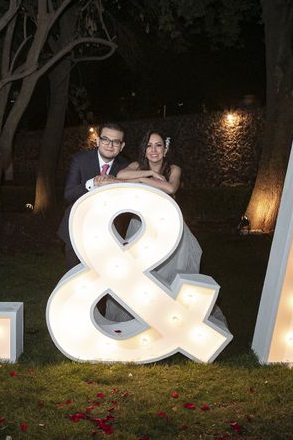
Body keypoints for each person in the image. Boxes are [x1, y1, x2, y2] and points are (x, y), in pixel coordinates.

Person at [103, 130, 209, 321]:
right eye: (149, 145)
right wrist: (148, 174)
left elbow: (170, 188)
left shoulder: (173, 169)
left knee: (168, 272)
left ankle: (168, 318)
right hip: (141, 227)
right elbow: (120, 174)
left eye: (158, 145)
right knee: (138, 272)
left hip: (169, 227)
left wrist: (139, 179)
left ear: (165, 149)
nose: (154, 150)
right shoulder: (138, 166)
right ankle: (141, 316)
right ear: (144, 150)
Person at [58, 123, 128, 269]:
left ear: (122, 146)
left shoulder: (126, 168)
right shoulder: (79, 160)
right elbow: (68, 195)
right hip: (78, 229)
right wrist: (92, 183)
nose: (110, 145)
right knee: (76, 279)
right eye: (105, 139)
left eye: (116, 142)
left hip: (109, 235)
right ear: (97, 141)